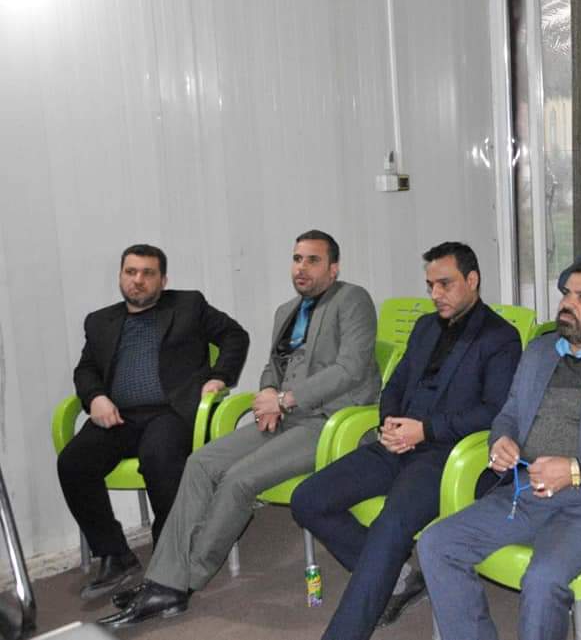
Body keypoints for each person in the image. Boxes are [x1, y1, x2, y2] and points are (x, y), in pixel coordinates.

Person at [99, 230, 381, 628]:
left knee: (238, 479)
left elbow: (349, 369)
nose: (301, 268)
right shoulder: (287, 311)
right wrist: (267, 392)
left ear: (333, 268)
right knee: (200, 462)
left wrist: (285, 399)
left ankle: (181, 582)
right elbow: (273, 367)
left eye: (313, 260)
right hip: (286, 417)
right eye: (297, 259)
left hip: (332, 423)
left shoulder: (352, 300)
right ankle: (162, 579)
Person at [418, 262, 581, 640]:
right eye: (567, 294)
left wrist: (575, 469)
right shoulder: (540, 350)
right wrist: (501, 441)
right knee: (436, 544)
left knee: (542, 579)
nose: (568, 304)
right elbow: (508, 414)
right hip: (524, 491)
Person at [289, 242, 522, 640]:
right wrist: (389, 423)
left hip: (447, 456)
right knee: (308, 499)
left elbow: (493, 412)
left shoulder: (500, 338)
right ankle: (398, 576)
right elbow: (394, 385)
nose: (435, 294)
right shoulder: (426, 327)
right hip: (397, 444)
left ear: (472, 280)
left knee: (390, 525)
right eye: (430, 285)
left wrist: (424, 430)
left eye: (445, 284)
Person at [58, 244, 250, 600]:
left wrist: (220, 376)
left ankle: (168, 556)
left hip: (171, 412)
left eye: (148, 273)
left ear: (163, 280)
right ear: (121, 276)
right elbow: (86, 369)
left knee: (159, 458)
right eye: (131, 272)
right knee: (73, 462)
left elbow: (235, 336)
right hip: (120, 416)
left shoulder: (188, 305)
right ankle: (115, 554)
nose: (138, 280)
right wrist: (95, 397)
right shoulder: (99, 321)